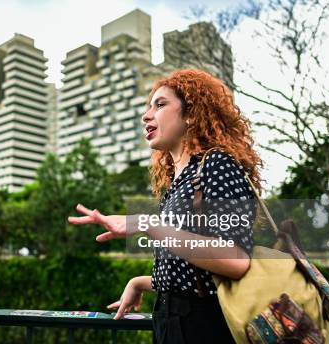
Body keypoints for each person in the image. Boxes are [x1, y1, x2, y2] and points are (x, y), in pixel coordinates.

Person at [68, 69, 262, 343]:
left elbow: (235, 260)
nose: (146, 115)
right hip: (174, 324)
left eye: (160, 105)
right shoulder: (179, 181)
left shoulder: (217, 164)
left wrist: (147, 224)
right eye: (148, 107)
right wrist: (140, 282)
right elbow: (194, 274)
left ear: (192, 113)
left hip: (206, 327)